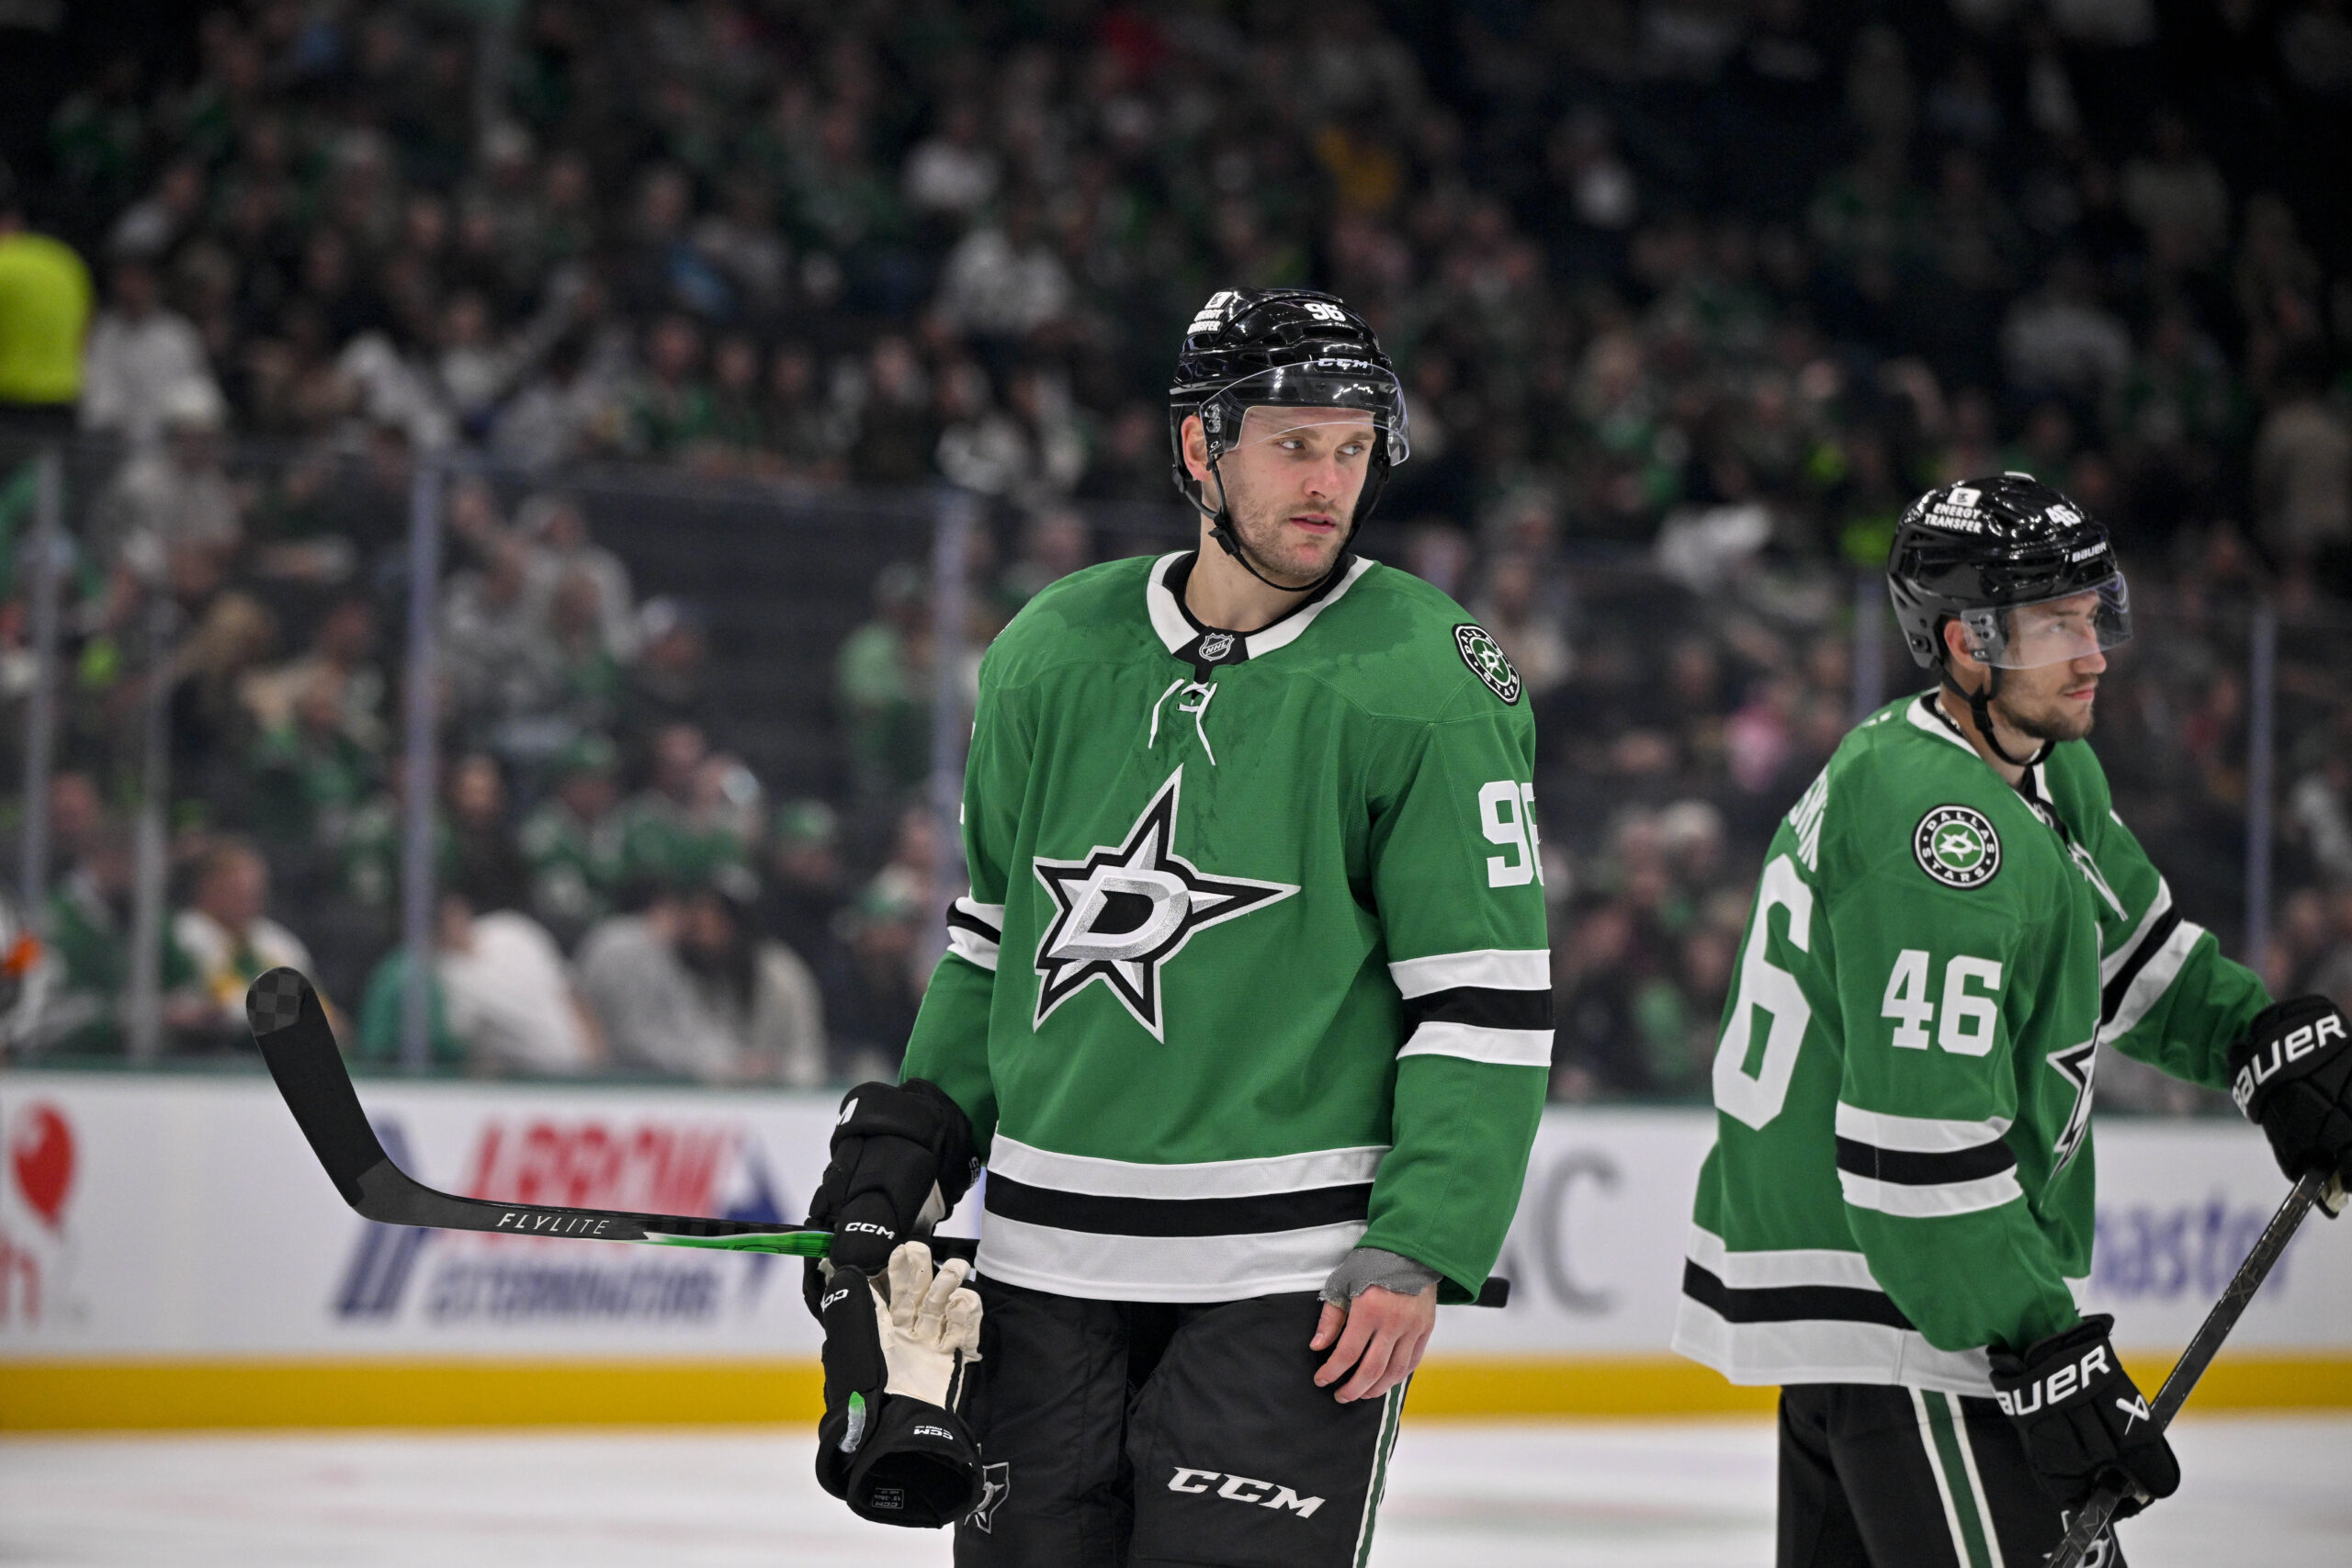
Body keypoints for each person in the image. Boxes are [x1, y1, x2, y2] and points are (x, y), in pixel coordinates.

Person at [800, 289, 1553, 1560]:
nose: (1329, 480)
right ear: (1201, 449)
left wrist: (1424, 1234)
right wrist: (917, 1145)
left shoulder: (1429, 677)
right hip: (1044, 1270)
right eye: (1293, 442)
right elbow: (993, 943)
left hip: (1288, 1284)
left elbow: (1481, 993)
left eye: (1353, 446)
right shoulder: (1048, 651)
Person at [1670, 474, 2352, 1566]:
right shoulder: (1942, 831)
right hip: (1914, 1312)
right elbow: (1916, 1150)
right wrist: (2039, 1347)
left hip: (1890, 1305)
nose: (2093, 654)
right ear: (1965, 644)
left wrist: (2255, 1050)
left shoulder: (2032, 772)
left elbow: (2136, 959)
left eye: (2094, 616)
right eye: (2055, 628)